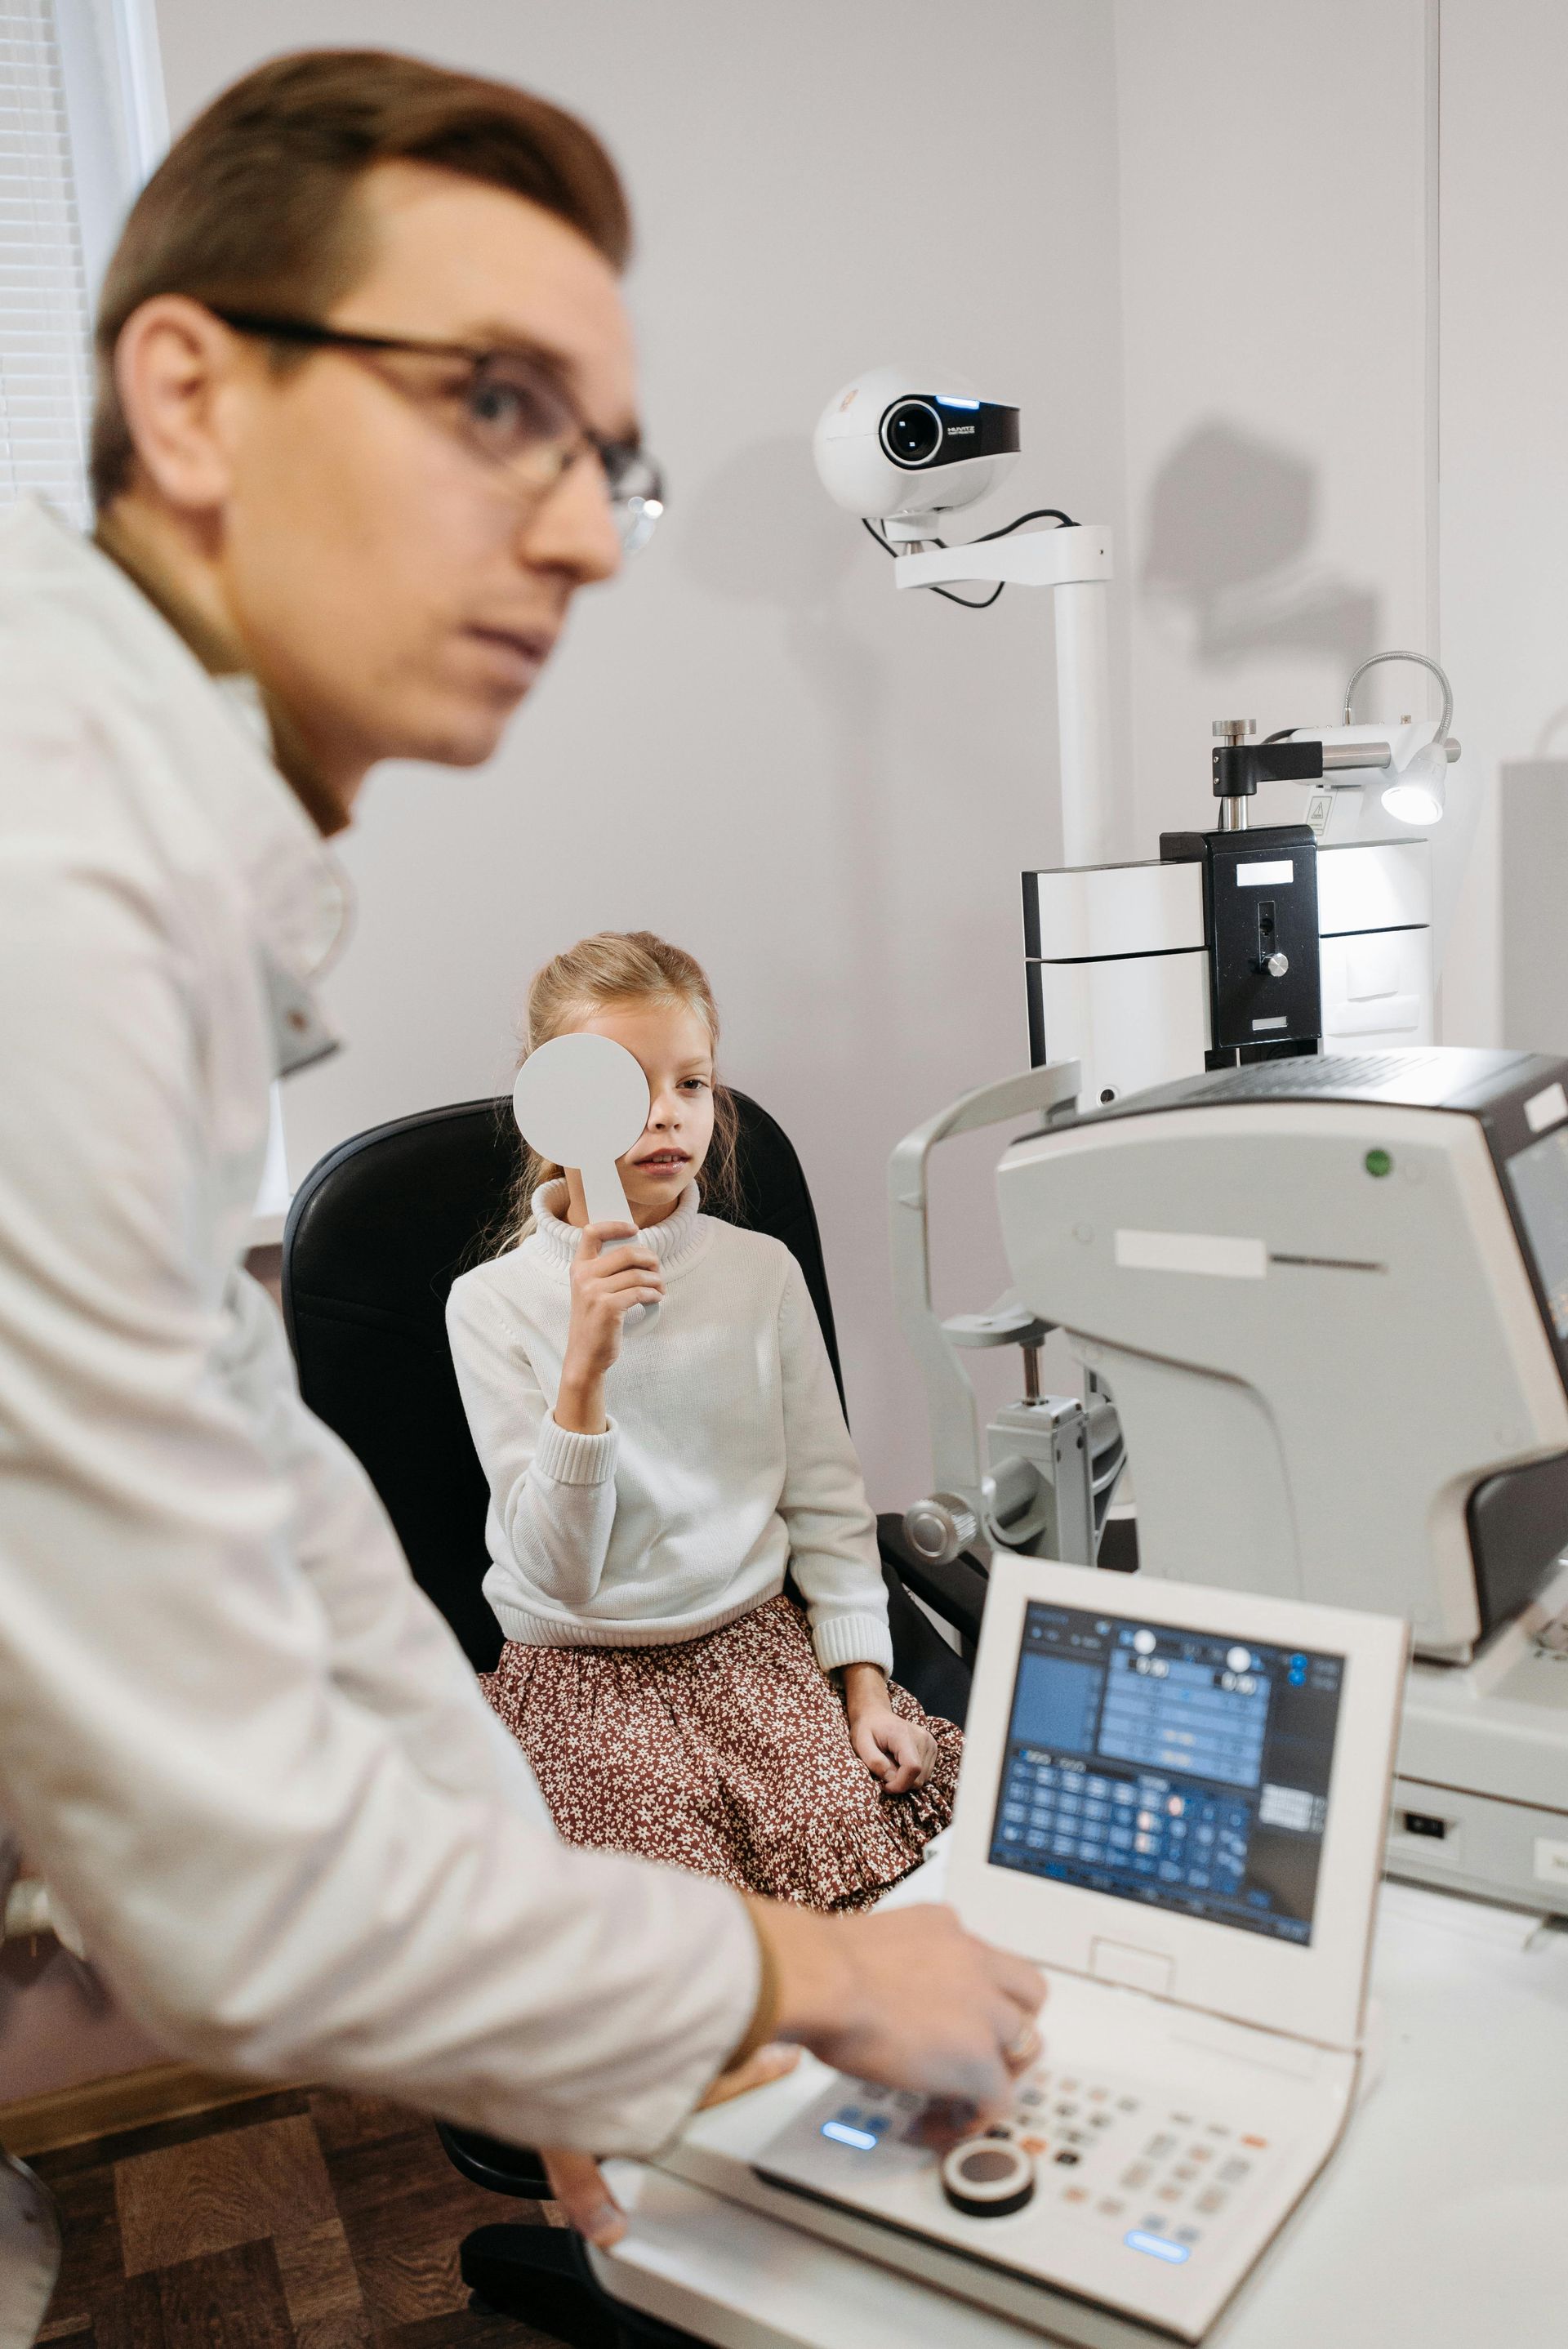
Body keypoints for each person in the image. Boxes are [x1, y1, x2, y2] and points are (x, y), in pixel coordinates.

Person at [0, 47, 1044, 2252]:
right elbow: (246, 1902)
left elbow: (312, 1557)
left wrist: (566, 1858)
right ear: (193, 395)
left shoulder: (168, 895)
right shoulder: (52, 912)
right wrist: (815, 1968)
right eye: (491, 411)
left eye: (606, 457)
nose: (578, 532)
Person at [449, 932, 963, 1910]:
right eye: (628, 1085)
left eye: (691, 1083)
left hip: (752, 1644)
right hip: (585, 1670)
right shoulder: (490, 1303)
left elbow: (826, 1500)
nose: (665, 1114)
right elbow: (558, 1571)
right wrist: (584, 1369)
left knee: (869, 1881)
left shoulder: (759, 1272)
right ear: (551, 1107)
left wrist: (861, 1683)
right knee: (680, 1936)